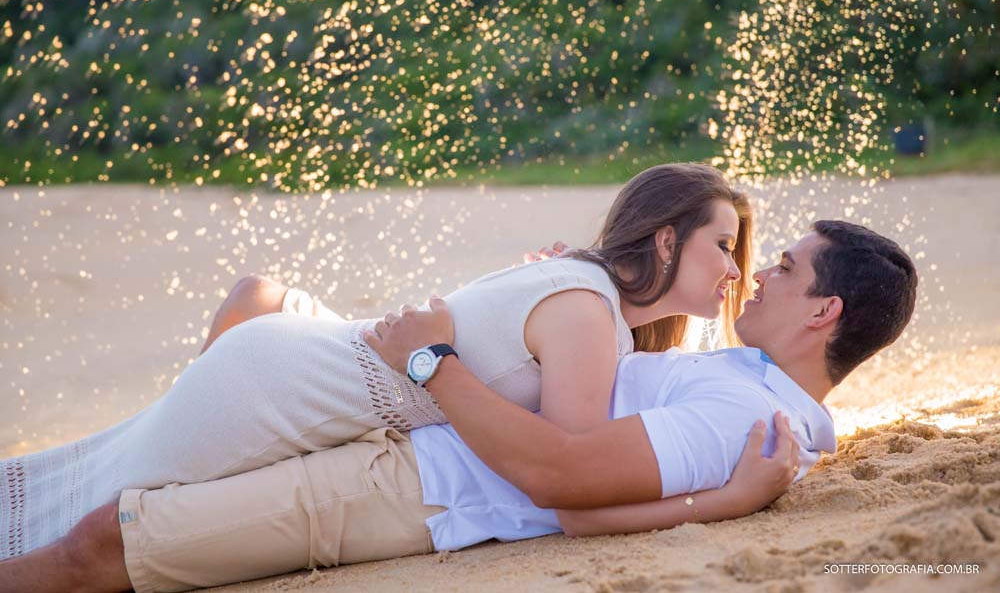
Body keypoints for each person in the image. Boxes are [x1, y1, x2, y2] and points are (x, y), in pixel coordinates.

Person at [0, 220, 919, 593]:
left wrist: (436, 360)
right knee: (254, 313)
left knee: (105, 545)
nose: (759, 271)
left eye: (785, 267)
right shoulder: (743, 381)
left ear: (824, 311)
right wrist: (573, 297)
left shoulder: (750, 424)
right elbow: (608, 397)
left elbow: (562, 482)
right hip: (416, 424)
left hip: (414, 483)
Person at [1, 163, 755, 561]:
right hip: (285, 390)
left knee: (71, 492)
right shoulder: (588, 312)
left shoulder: (587, 300)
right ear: (663, 238)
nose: (734, 271)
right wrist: (730, 498)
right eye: (723, 245)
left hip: (298, 367)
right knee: (81, 522)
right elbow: (566, 487)